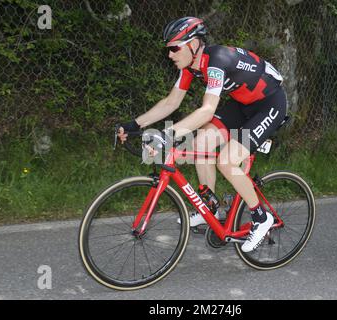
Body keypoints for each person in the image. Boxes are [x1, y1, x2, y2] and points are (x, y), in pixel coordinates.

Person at [117, 17, 288, 252]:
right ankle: (212, 209)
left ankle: (261, 217)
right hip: (242, 104)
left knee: (226, 161)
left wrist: (168, 134)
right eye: (168, 49)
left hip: (269, 104)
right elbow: (171, 103)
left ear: (194, 44)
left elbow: (207, 110)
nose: (170, 55)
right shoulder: (190, 67)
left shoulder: (216, 61)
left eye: (175, 48)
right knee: (199, 146)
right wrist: (134, 124)